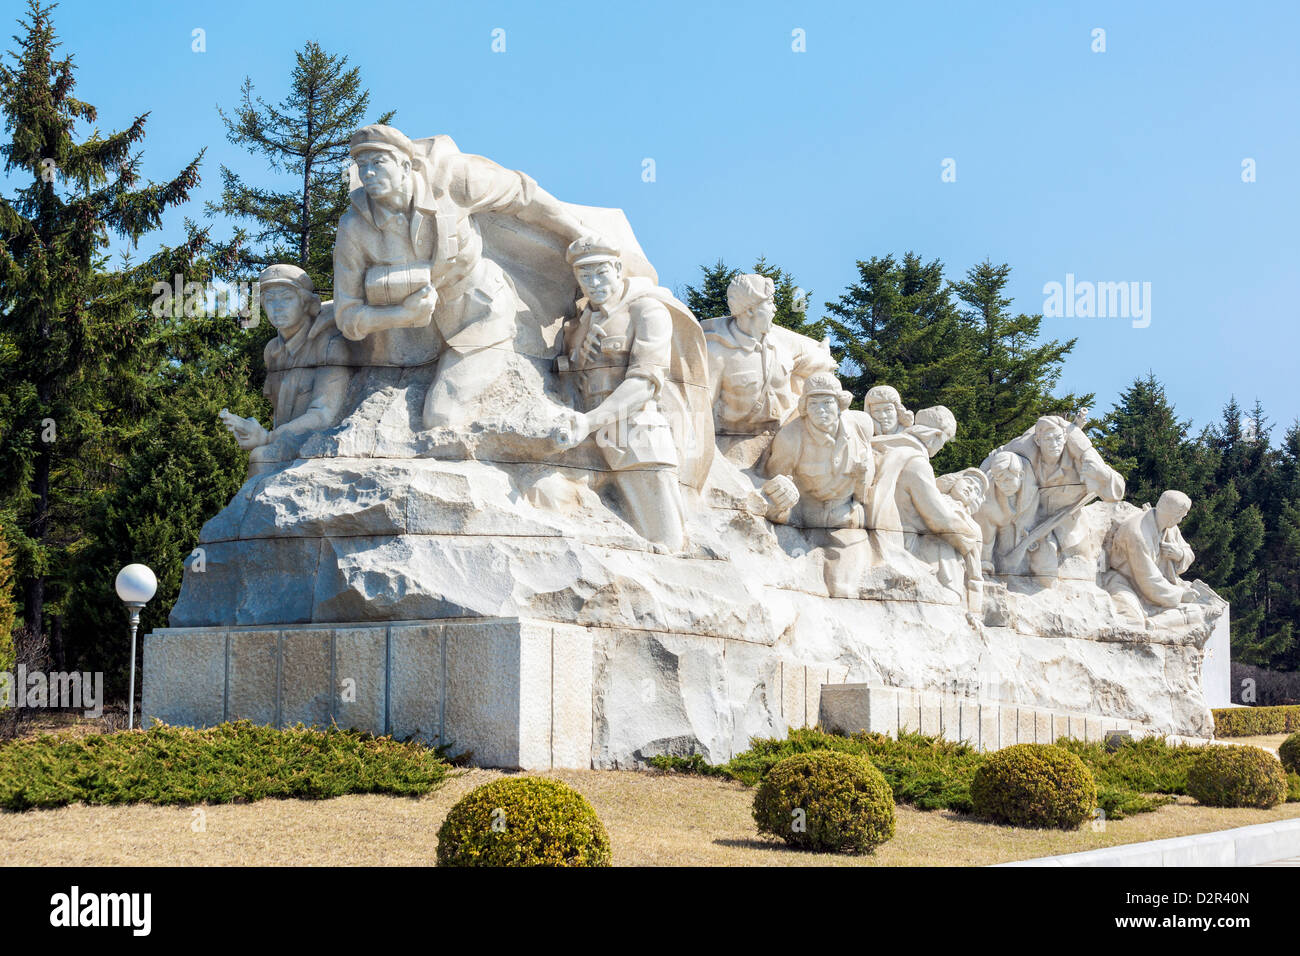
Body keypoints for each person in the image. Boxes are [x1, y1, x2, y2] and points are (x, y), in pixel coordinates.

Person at [333, 124, 587, 429]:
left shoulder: (454, 179)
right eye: (362, 166)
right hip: (408, 339)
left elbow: (523, 194)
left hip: (477, 312)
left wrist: (580, 235)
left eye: (378, 163)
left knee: (441, 416)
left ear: (405, 164)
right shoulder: (353, 227)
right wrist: (401, 314)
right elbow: (347, 316)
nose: (368, 174)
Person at [554, 237, 689, 551]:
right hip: (584, 439)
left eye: (601, 272)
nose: (594, 282)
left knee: (664, 545)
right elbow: (565, 377)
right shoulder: (580, 322)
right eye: (585, 276)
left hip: (637, 436)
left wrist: (590, 421)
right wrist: (575, 360)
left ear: (617, 268)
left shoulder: (647, 310)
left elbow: (645, 381)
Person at [219, 264, 352, 478]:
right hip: (287, 445)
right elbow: (279, 416)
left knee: (261, 457)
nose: (277, 307)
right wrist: (258, 433)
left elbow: (324, 415)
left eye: (286, 298)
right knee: (261, 457)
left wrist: (268, 438)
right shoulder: (272, 351)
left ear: (306, 302)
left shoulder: (329, 344)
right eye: (269, 300)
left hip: (321, 445)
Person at [763, 372, 876, 596]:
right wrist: (781, 495)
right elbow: (774, 481)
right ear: (805, 407)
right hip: (803, 522)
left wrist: (863, 477)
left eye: (827, 403)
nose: (821, 410)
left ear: (839, 405)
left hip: (846, 523)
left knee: (844, 589)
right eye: (813, 404)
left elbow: (869, 479)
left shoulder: (861, 426)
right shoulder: (791, 437)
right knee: (791, 587)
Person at [981, 414, 1125, 578]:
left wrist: (1103, 475)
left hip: (1067, 521)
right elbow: (995, 457)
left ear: (1065, 437)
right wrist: (978, 479)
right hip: (1031, 523)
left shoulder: (1083, 457)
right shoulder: (1024, 447)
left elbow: (1117, 491)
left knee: (1073, 572)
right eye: (1048, 439)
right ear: (1037, 441)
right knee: (1028, 569)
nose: (1054, 444)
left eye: (1057, 438)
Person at [702, 273, 834, 444]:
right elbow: (701, 412)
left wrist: (824, 355)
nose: (774, 309)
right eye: (770, 303)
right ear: (750, 309)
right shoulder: (717, 352)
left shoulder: (783, 341)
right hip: (731, 442)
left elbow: (821, 363)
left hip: (787, 437)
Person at [1106, 490, 1198, 610]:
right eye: (1181, 516)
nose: (1181, 520)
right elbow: (1148, 580)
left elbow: (1187, 551)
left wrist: (1180, 555)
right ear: (1173, 516)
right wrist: (1180, 595)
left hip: (1158, 584)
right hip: (1128, 581)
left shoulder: (1169, 526)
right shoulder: (1138, 535)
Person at [976, 450, 1040, 574]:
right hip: (993, 522)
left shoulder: (1031, 488)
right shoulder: (988, 489)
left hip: (1018, 529)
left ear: (1020, 475)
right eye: (999, 481)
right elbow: (986, 528)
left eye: (1008, 480)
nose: (1004, 485)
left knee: (1013, 566)